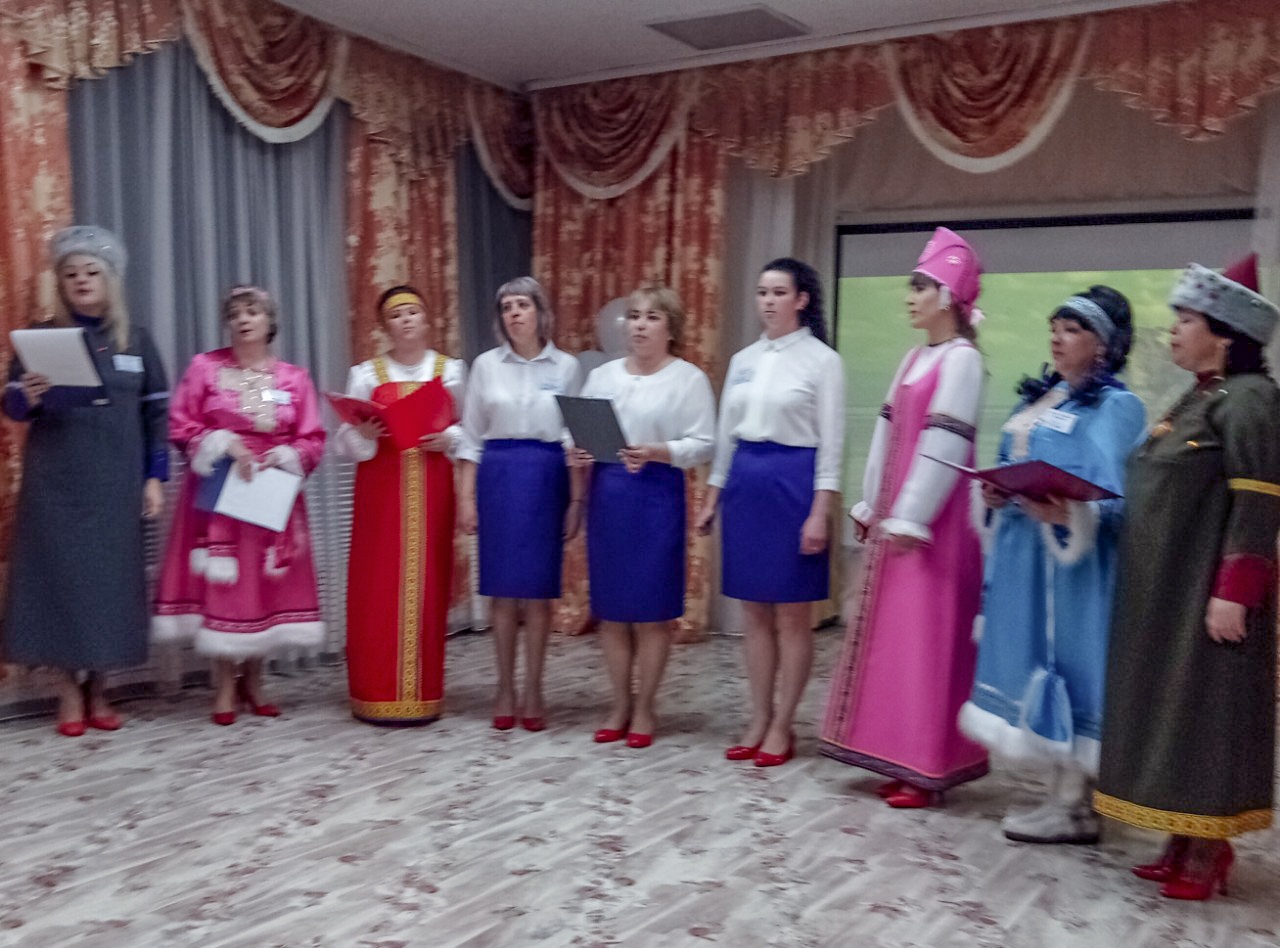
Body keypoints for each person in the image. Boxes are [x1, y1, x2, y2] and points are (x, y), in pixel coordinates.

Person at [1094, 256, 1280, 900]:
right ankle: (1182, 837)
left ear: (1225, 335)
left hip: (1209, 591)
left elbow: (1259, 499)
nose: (1173, 329)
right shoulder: (1203, 394)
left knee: (1210, 710)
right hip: (1170, 591)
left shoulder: (1251, 399)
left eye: (1186, 319)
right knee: (1178, 710)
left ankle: (1209, 849)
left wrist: (1235, 592)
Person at [958, 287, 1146, 843]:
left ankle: (1074, 805)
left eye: (1072, 330)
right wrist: (993, 494)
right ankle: (1058, 797)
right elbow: (1013, 461)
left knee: (1073, 666)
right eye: (1054, 328)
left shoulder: (1116, 407)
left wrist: (1070, 513)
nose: (1057, 340)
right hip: (1025, 557)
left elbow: (1121, 494)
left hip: (1074, 569)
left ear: (1102, 345)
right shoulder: (1045, 398)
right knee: (1035, 662)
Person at [819, 228, 988, 806]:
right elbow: (887, 433)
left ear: (948, 296)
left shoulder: (963, 361)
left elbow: (945, 444)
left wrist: (913, 514)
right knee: (896, 640)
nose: (910, 297)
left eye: (920, 287)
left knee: (926, 642)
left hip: (934, 529)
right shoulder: (915, 357)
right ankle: (896, 753)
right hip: (898, 522)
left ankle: (926, 765)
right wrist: (873, 502)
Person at [2, 226, 168, 736]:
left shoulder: (136, 341)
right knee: (57, 583)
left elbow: (157, 416)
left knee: (108, 585)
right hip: (55, 482)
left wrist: (154, 478)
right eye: (71, 273)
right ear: (60, 282)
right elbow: (13, 407)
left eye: (91, 272)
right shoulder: (39, 338)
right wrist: (25, 395)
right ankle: (67, 689)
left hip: (116, 483)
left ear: (109, 280)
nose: (81, 280)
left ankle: (99, 686)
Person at [152, 285, 326, 724]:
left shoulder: (293, 378)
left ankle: (255, 680)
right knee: (226, 587)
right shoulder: (205, 368)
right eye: (235, 313)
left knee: (265, 585)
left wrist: (284, 456)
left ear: (270, 322)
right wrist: (222, 443)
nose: (243, 319)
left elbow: (312, 438)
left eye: (253, 311)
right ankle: (224, 684)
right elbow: (180, 423)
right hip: (220, 493)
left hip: (272, 492)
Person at [695, 258, 844, 768]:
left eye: (779, 292)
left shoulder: (823, 361)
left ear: (801, 299)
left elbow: (832, 447)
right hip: (746, 485)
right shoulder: (744, 359)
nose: (768, 301)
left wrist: (820, 512)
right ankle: (758, 717)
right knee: (753, 612)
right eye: (762, 292)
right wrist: (712, 498)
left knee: (792, 615)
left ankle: (784, 723)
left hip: (794, 485)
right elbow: (724, 438)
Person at [574, 285, 715, 748]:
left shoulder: (688, 379)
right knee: (613, 612)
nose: (639, 325)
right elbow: (581, 433)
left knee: (652, 612)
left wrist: (660, 451)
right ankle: (619, 704)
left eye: (652, 317)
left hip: (657, 496)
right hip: (609, 495)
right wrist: (577, 450)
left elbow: (704, 443)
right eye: (634, 316)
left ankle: (646, 707)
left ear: (671, 328)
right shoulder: (603, 377)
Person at [335, 285, 466, 726]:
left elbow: (472, 428)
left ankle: (422, 693)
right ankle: (374, 691)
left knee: (428, 582)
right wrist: (363, 435)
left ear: (427, 320)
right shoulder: (366, 374)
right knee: (377, 585)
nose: (406, 320)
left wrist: (450, 438)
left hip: (432, 486)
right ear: (385, 326)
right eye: (396, 315)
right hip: (381, 490)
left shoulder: (451, 371)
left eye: (413, 312)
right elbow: (344, 440)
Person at [458, 277, 580, 732]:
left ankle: (534, 688)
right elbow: (471, 438)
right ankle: (505, 687)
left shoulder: (567, 367)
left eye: (522, 305)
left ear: (540, 312)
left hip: (547, 476)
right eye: (507, 307)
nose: (514, 313)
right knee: (503, 589)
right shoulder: (486, 366)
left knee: (539, 591)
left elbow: (574, 438)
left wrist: (577, 500)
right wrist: (466, 498)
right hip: (499, 476)